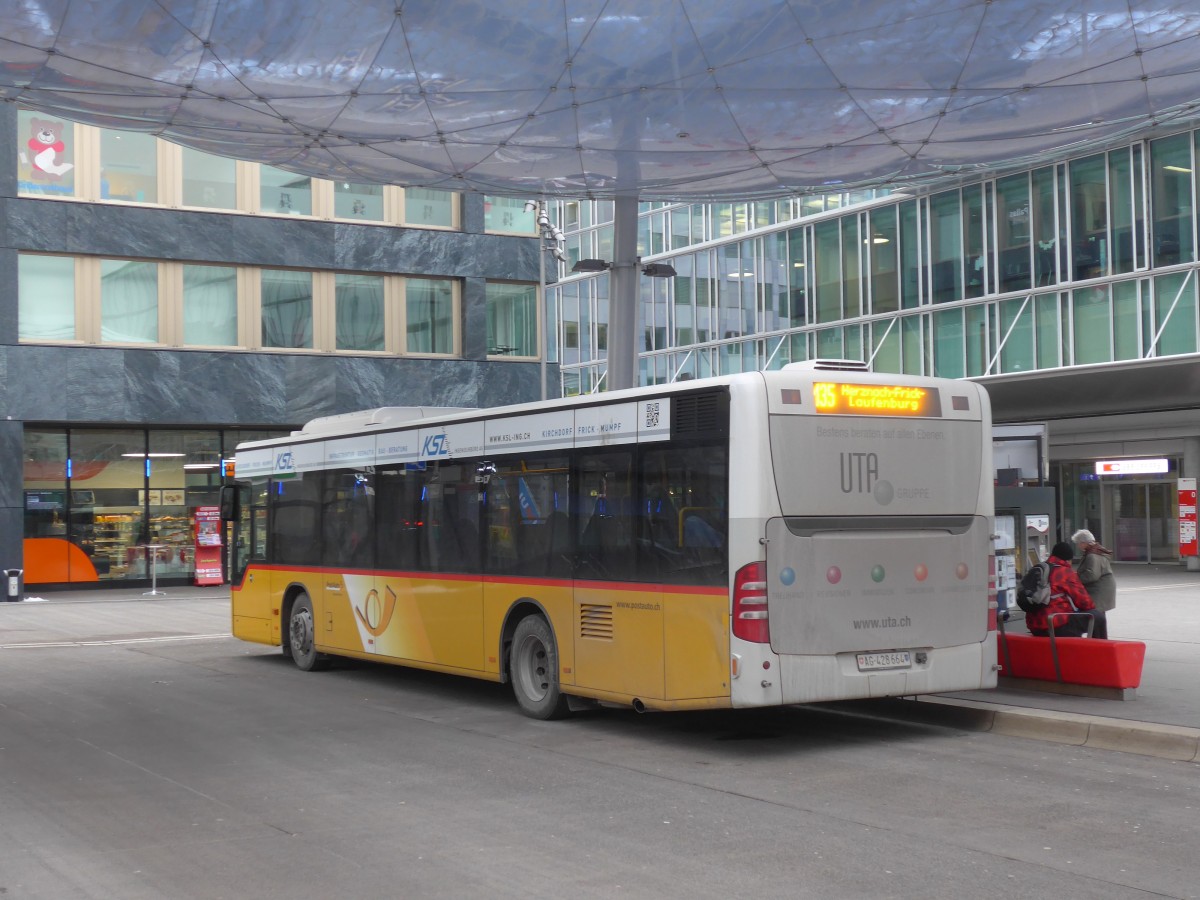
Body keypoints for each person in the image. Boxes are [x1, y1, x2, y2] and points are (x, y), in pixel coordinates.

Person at [1025, 541, 1108, 639]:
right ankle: (1099, 651)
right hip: (1055, 625)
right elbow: (1086, 603)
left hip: (1034, 626)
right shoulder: (1065, 572)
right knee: (1097, 617)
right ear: (1068, 560)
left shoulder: (1037, 569)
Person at [1071, 528, 1117, 613]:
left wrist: (1076, 579)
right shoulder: (1097, 550)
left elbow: (1092, 575)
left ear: (1084, 543)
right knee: (1099, 614)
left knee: (1095, 613)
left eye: (1078, 543)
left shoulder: (1092, 555)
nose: (1078, 546)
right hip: (1103, 587)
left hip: (1099, 590)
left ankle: (1097, 626)